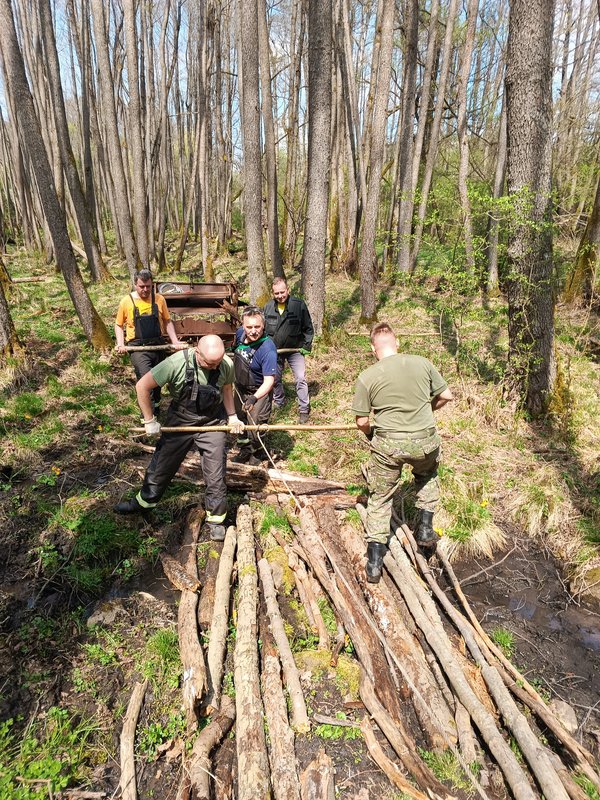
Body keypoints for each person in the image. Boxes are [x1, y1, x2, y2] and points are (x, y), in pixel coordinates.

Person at [113, 335, 245, 541]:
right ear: (197, 351)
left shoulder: (226, 364)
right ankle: (145, 501)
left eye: (217, 363)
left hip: (212, 421)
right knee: (162, 463)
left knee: (215, 469)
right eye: (209, 363)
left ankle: (217, 519)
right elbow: (142, 386)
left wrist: (232, 416)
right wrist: (149, 420)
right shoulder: (175, 363)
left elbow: (227, 388)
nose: (213, 367)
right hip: (181, 419)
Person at [352, 323, 453, 583]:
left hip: (389, 445)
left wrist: (371, 434)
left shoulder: (367, 376)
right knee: (427, 476)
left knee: (381, 497)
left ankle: (374, 562)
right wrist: (426, 411)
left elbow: (362, 421)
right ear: (397, 343)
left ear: (373, 348)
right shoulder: (422, 363)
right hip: (425, 441)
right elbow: (446, 395)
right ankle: (426, 528)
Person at [115, 269, 185, 413]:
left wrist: (175, 341)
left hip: (157, 345)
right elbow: (118, 324)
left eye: (148, 286)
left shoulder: (159, 299)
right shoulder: (126, 301)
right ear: (135, 285)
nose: (145, 290)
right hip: (137, 348)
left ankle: (157, 408)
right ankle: (146, 416)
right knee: (145, 378)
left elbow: (167, 321)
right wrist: (121, 344)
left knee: (158, 380)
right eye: (142, 286)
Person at [263, 277, 314, 423]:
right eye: (276, 293)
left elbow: (308, 327)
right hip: (275, 351)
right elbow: (263, 330)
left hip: (295, 350)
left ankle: (304, 409)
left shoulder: (298, 305)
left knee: (300, 378)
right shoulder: (267, 307)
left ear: (288, 290)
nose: (280, 296)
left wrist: (306, 345)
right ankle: (279, 401)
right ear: (273, 293)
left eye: (282, 292)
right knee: (275, 378)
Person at [232, 306, 278, 466]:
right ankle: (244, 448)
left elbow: (269, 381)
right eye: (249, 327)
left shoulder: (268, 349)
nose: (253, 331)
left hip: (259, 391)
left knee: (255, 424)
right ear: (243, 325)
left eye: (257, 327)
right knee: (239, 419)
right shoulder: (239, 334)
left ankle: (258, 453)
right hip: (240, 387)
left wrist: (253, 398)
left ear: (263, 326)